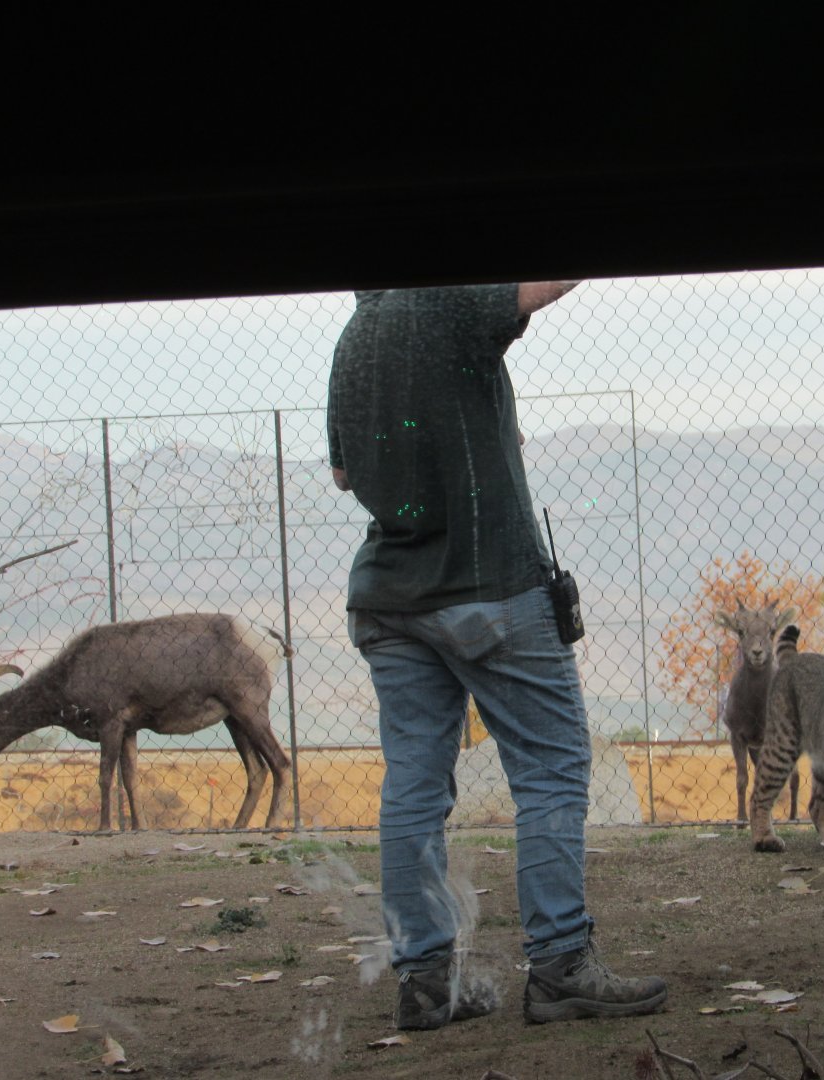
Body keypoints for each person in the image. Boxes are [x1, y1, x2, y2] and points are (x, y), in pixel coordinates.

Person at [327, 282, 668, 1030]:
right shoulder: (445, 297)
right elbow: (539, 285)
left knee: (413, 784)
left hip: (388, 594)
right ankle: (560, 966)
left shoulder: (353, 340)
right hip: (487, 584)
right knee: (551, 768)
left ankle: (423, 979)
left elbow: (347, 473)